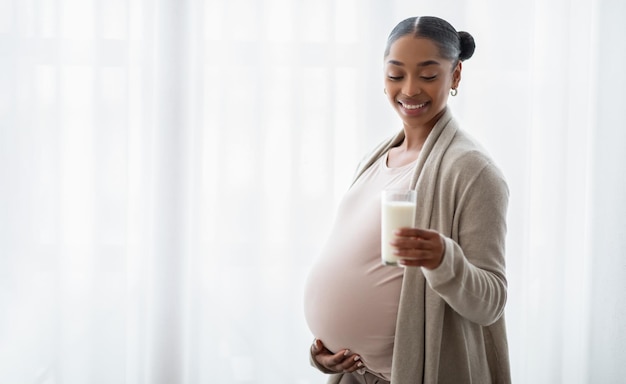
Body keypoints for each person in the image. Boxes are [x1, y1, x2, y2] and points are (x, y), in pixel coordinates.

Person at [303, 16, 511, 384]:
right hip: (356, 375)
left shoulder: (473, 172)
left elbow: (491, 301)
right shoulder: (375, 159)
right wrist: (326, 353)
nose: (410, 89)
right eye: (396, 75)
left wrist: (444, 260)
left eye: (428, 76)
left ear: (456, 75)